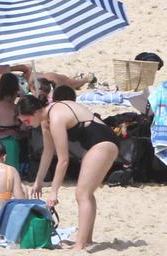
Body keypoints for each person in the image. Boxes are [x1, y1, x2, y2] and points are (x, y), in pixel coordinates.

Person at [18, 94, 119, 250]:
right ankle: (86, 239)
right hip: (92, 144)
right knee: (86, 193)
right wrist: (38, 182)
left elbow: (63, 160)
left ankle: (80, 244)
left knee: (82, 194)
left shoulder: (56, 116)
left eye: (27, 120)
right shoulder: (46, 121)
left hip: (103, 141)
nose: (26, 125)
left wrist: (53, 192)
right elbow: (48, 152)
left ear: (36, 112)